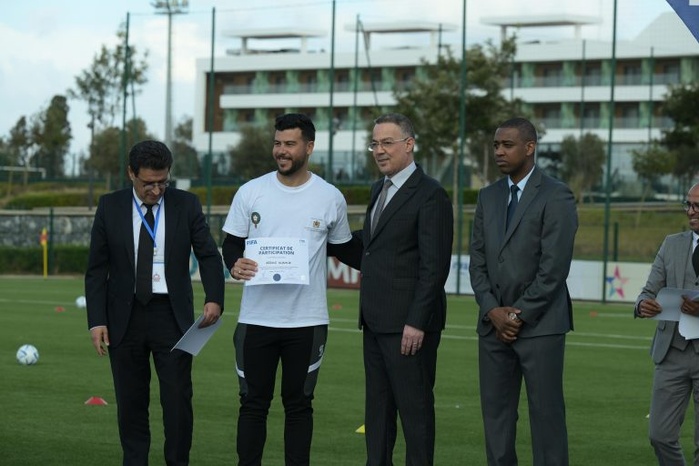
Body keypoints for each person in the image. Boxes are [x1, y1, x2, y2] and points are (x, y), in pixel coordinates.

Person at [221, 113, 353, 466]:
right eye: (278, 143)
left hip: (306, 322)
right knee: (252, 404)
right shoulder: (251, 192)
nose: (281, 150)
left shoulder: (330, 196)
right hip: (256, 319)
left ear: (309, 147)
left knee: (299, 407)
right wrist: (234, 263)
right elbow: (231, 245)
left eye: (289, 144)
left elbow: (346, 249)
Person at [85, 140, 225, 466]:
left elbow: (207, 254)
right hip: (124, 318)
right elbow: (96, 270)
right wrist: (96, 320)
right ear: (131, 173)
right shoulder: (110, 206)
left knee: (177, 402)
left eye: (163, 181)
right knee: (131, 404)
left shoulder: (187, 205)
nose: (157, 190)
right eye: (148, 183)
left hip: (172, 318)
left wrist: (214, 298)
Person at [333, 112, 453, 465]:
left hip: (409, 327)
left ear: (409, 145)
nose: (379, 150)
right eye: (374, 143)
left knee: (414, 413)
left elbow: (435, 267)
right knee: (378, 412)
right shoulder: (379, 189)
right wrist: (319, 237)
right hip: (374, 322)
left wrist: (416, 321)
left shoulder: (430, 194)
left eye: (387, 142)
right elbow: (372, 250)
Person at [469, 117, 578, 466]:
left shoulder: (556, 194)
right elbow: (477, 263)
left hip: (540, 326)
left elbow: (554, 268)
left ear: (530, 147)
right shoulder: (487, 197)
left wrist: (517, 314)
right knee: (497, 420)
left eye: (508, 145)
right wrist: (493, 311)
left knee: (546, 419)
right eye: (496, 145)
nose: (499, 151)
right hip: (493, 327)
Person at [635, 182, 699, 465]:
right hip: (671, 352)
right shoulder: (671, 244)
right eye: (688, 204)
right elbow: (648, 292)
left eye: (697, 206)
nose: (690, 211)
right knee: (659, 435)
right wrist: (642, 305)